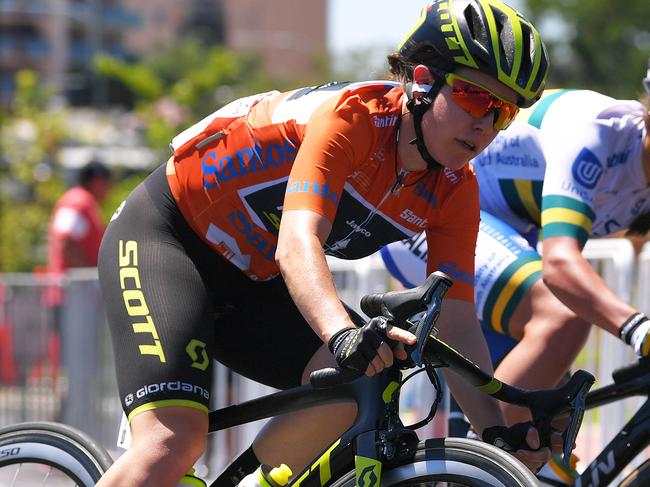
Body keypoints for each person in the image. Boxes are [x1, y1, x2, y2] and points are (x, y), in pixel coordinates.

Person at [95, 2, 555, 486]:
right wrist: (341, 333)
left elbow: (457, 318)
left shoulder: (456, 188)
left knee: (364, 381)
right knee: (172, 443)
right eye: (475, 98)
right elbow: (297, 243)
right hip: (170, 240)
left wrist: (497, 434)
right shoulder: (353, 120)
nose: (486, 124)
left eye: (502, 112)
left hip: (255, 281)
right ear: (422, 80)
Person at [381, 63, 650, 445]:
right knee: (564, 317)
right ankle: (479, 465)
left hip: (503, 238)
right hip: (432, 213)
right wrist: (640, 331)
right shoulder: (599, 133)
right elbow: (559, 264)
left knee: (551, 438)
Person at [47, 160, 112, 274]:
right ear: (96, 182)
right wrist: (87, 274)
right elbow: (66, 241)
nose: (109, 189)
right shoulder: (78, 201)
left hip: (74, 286)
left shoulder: (82, 201)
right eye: (106, 183)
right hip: (73, 287)